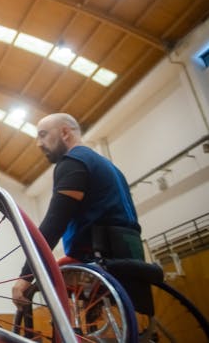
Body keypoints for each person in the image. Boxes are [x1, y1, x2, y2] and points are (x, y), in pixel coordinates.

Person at [11, 113, 144, 310]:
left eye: (43, 135)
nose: (39, 144)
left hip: (97, 257)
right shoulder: (109, 166)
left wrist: (26, 275)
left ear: (65, 132)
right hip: (131, 254)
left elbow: (54, 224)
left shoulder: (73, 163)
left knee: (35, 288)